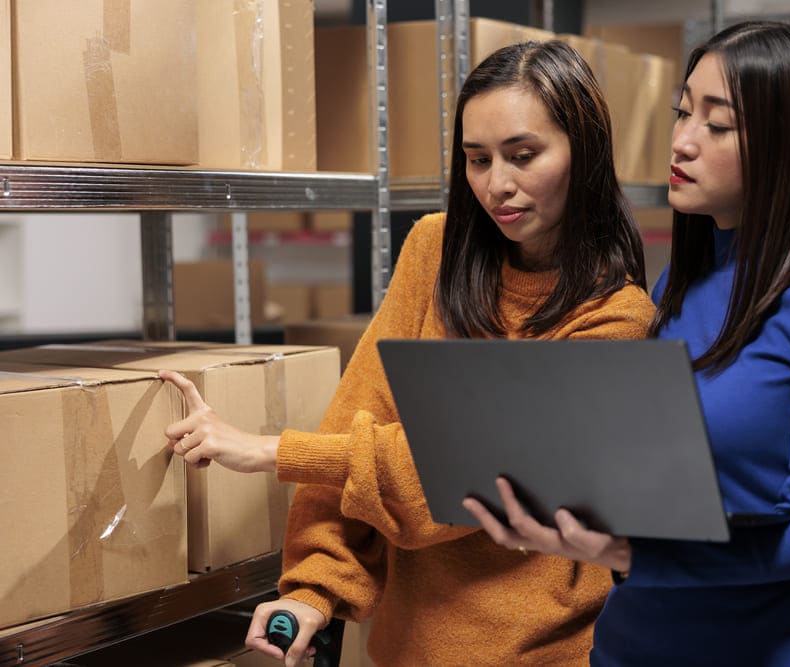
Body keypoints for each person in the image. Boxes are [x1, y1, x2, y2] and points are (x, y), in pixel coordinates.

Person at [160, 39, 655, 666]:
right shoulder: (435, 250)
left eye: (523, 155)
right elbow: (361, 412)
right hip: (404, 649)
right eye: (477, 159)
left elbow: (470, 477)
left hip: (550, 652)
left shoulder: (618, 317)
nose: (497, 185)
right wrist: (315, 589)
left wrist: (273, 450)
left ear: (582, 152)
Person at [465, 20, 790, 667]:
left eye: (716, 125)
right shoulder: (678, 285)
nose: (682, 141)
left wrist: (633, 553)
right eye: (683, 112)